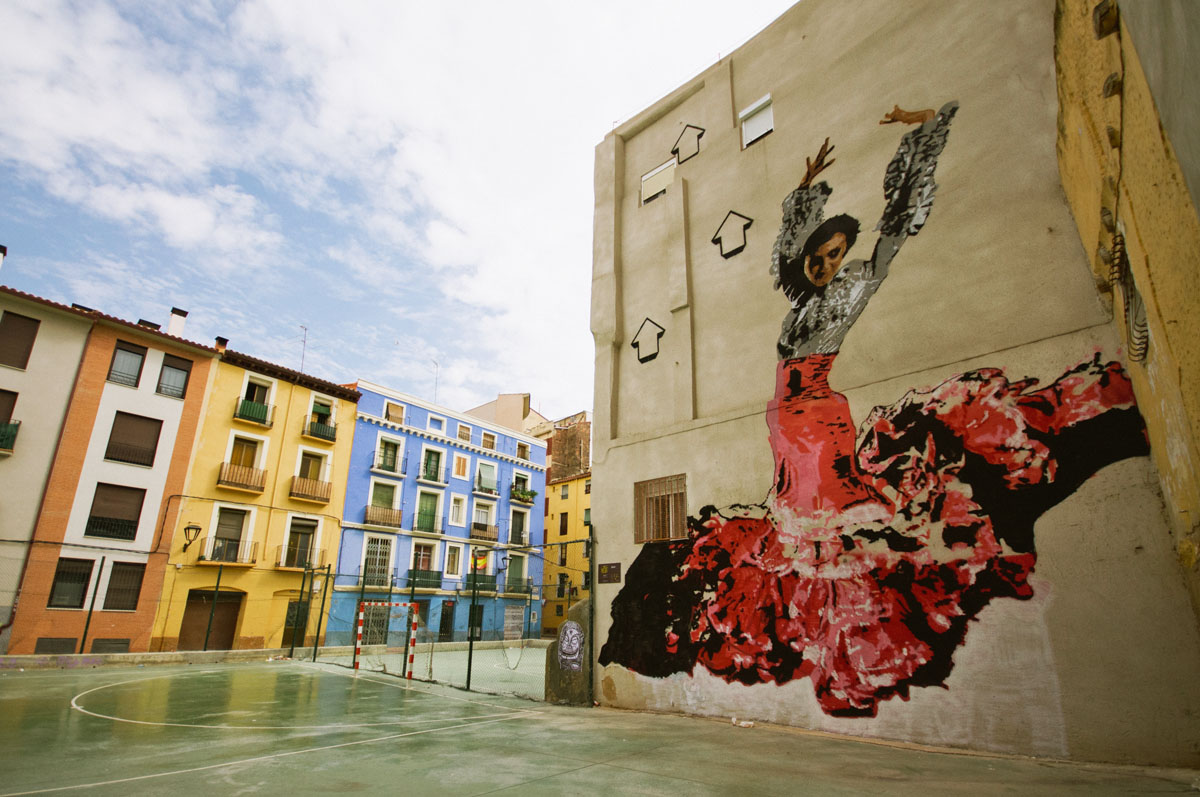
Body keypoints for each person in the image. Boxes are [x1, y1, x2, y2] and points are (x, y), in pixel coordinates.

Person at [598, 102, 1148, 718]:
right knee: (805, 542)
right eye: (824, 252)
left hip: (815, 424)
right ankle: (841, 624)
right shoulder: (802, 292)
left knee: (829, 538)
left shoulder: (846, 293)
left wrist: (920, 140)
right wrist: (804, 188)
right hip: (790, 426)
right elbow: (786, 256)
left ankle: (857, 645)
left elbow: (892, 237)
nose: (829, 263)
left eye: (837, 255)